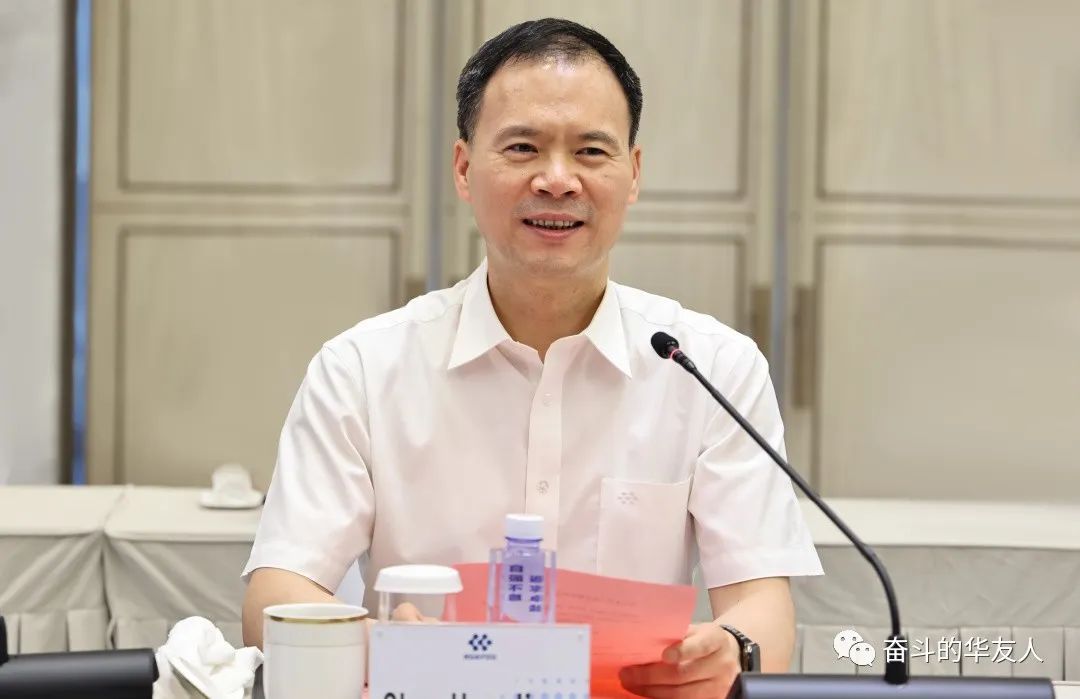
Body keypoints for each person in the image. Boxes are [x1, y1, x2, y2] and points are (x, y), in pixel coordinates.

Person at [242, 17, 822, 697]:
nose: (557, 179)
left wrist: (731, 651)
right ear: (464, 169)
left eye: (591, 152)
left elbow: (761, 602)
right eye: (523, 148)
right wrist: (390, 648)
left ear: (633, 174)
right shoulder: (362, 369)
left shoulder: (711, 367)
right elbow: (276, 593)